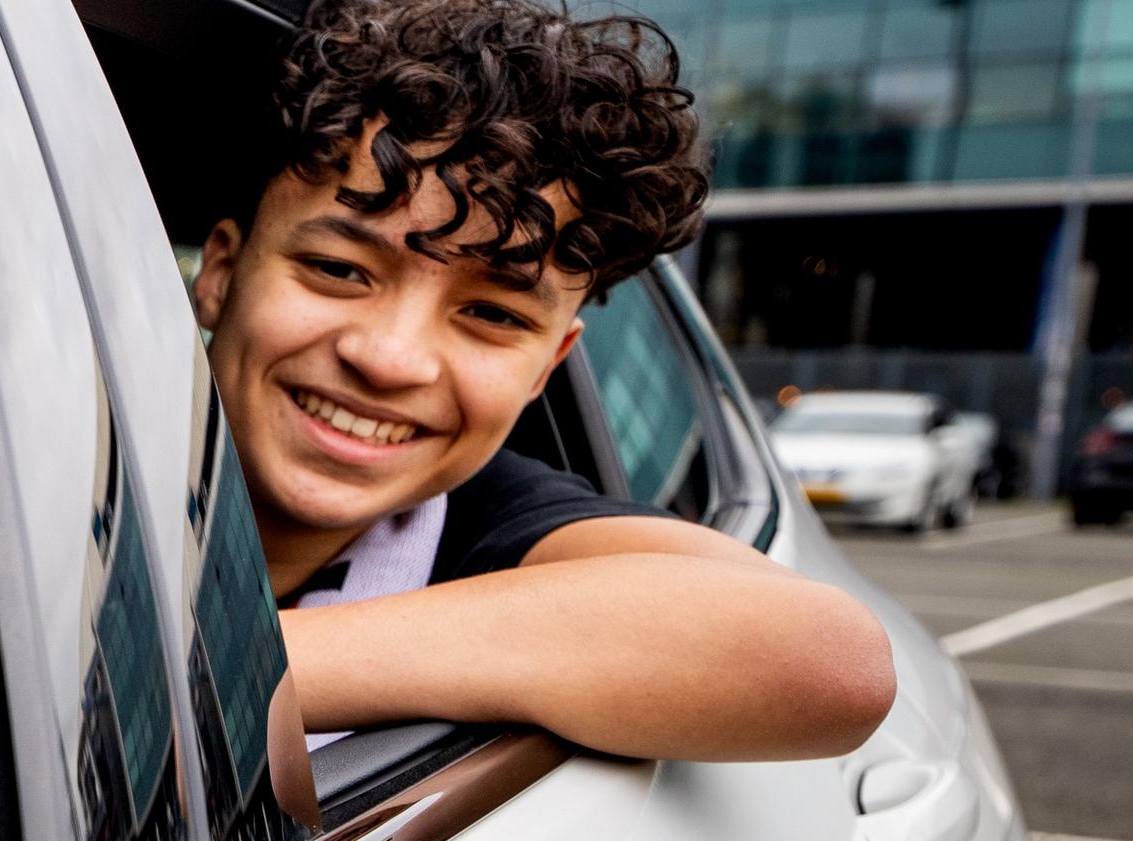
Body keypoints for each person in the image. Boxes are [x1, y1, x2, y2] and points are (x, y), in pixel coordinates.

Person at [191, 0, 894, 760]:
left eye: (492, 316)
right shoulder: (62, 452)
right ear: (222, 275)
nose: (391, 358)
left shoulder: (502, 529)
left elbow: (830, 658)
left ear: (546, 369)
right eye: (338, 270)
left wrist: (218, 670)